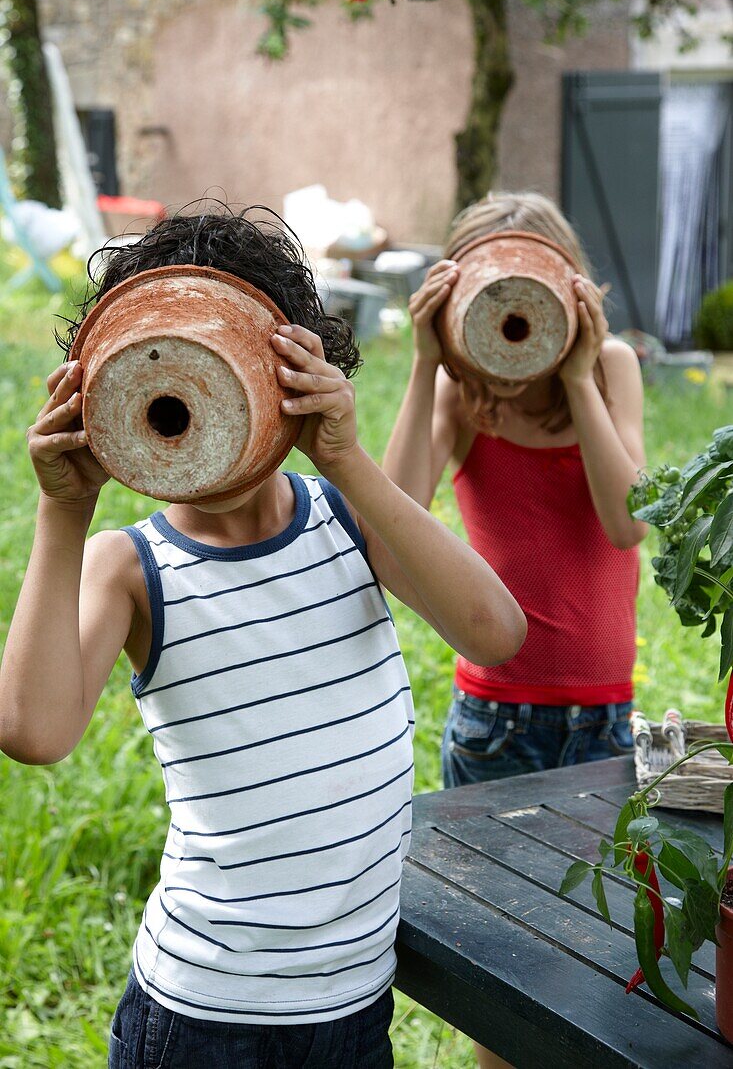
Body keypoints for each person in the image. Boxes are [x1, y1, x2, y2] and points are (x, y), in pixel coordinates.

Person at [0, 209, 526, 1069]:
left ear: (299, 366)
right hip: (204, 1013)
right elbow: (33, 731)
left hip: (353, 1006)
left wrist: (347, 458)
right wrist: (64, 509)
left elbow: (495, 631)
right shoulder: (130, 568)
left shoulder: (348, 520)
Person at [382, 192, 646, 1068]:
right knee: (504, 972)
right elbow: (395, 515)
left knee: (595, 953)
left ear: (571, 295)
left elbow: (627, 522)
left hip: (601, 718)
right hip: (494, 720)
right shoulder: (462, 398)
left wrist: (576, 372)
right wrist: (425, 368)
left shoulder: (607, 369)